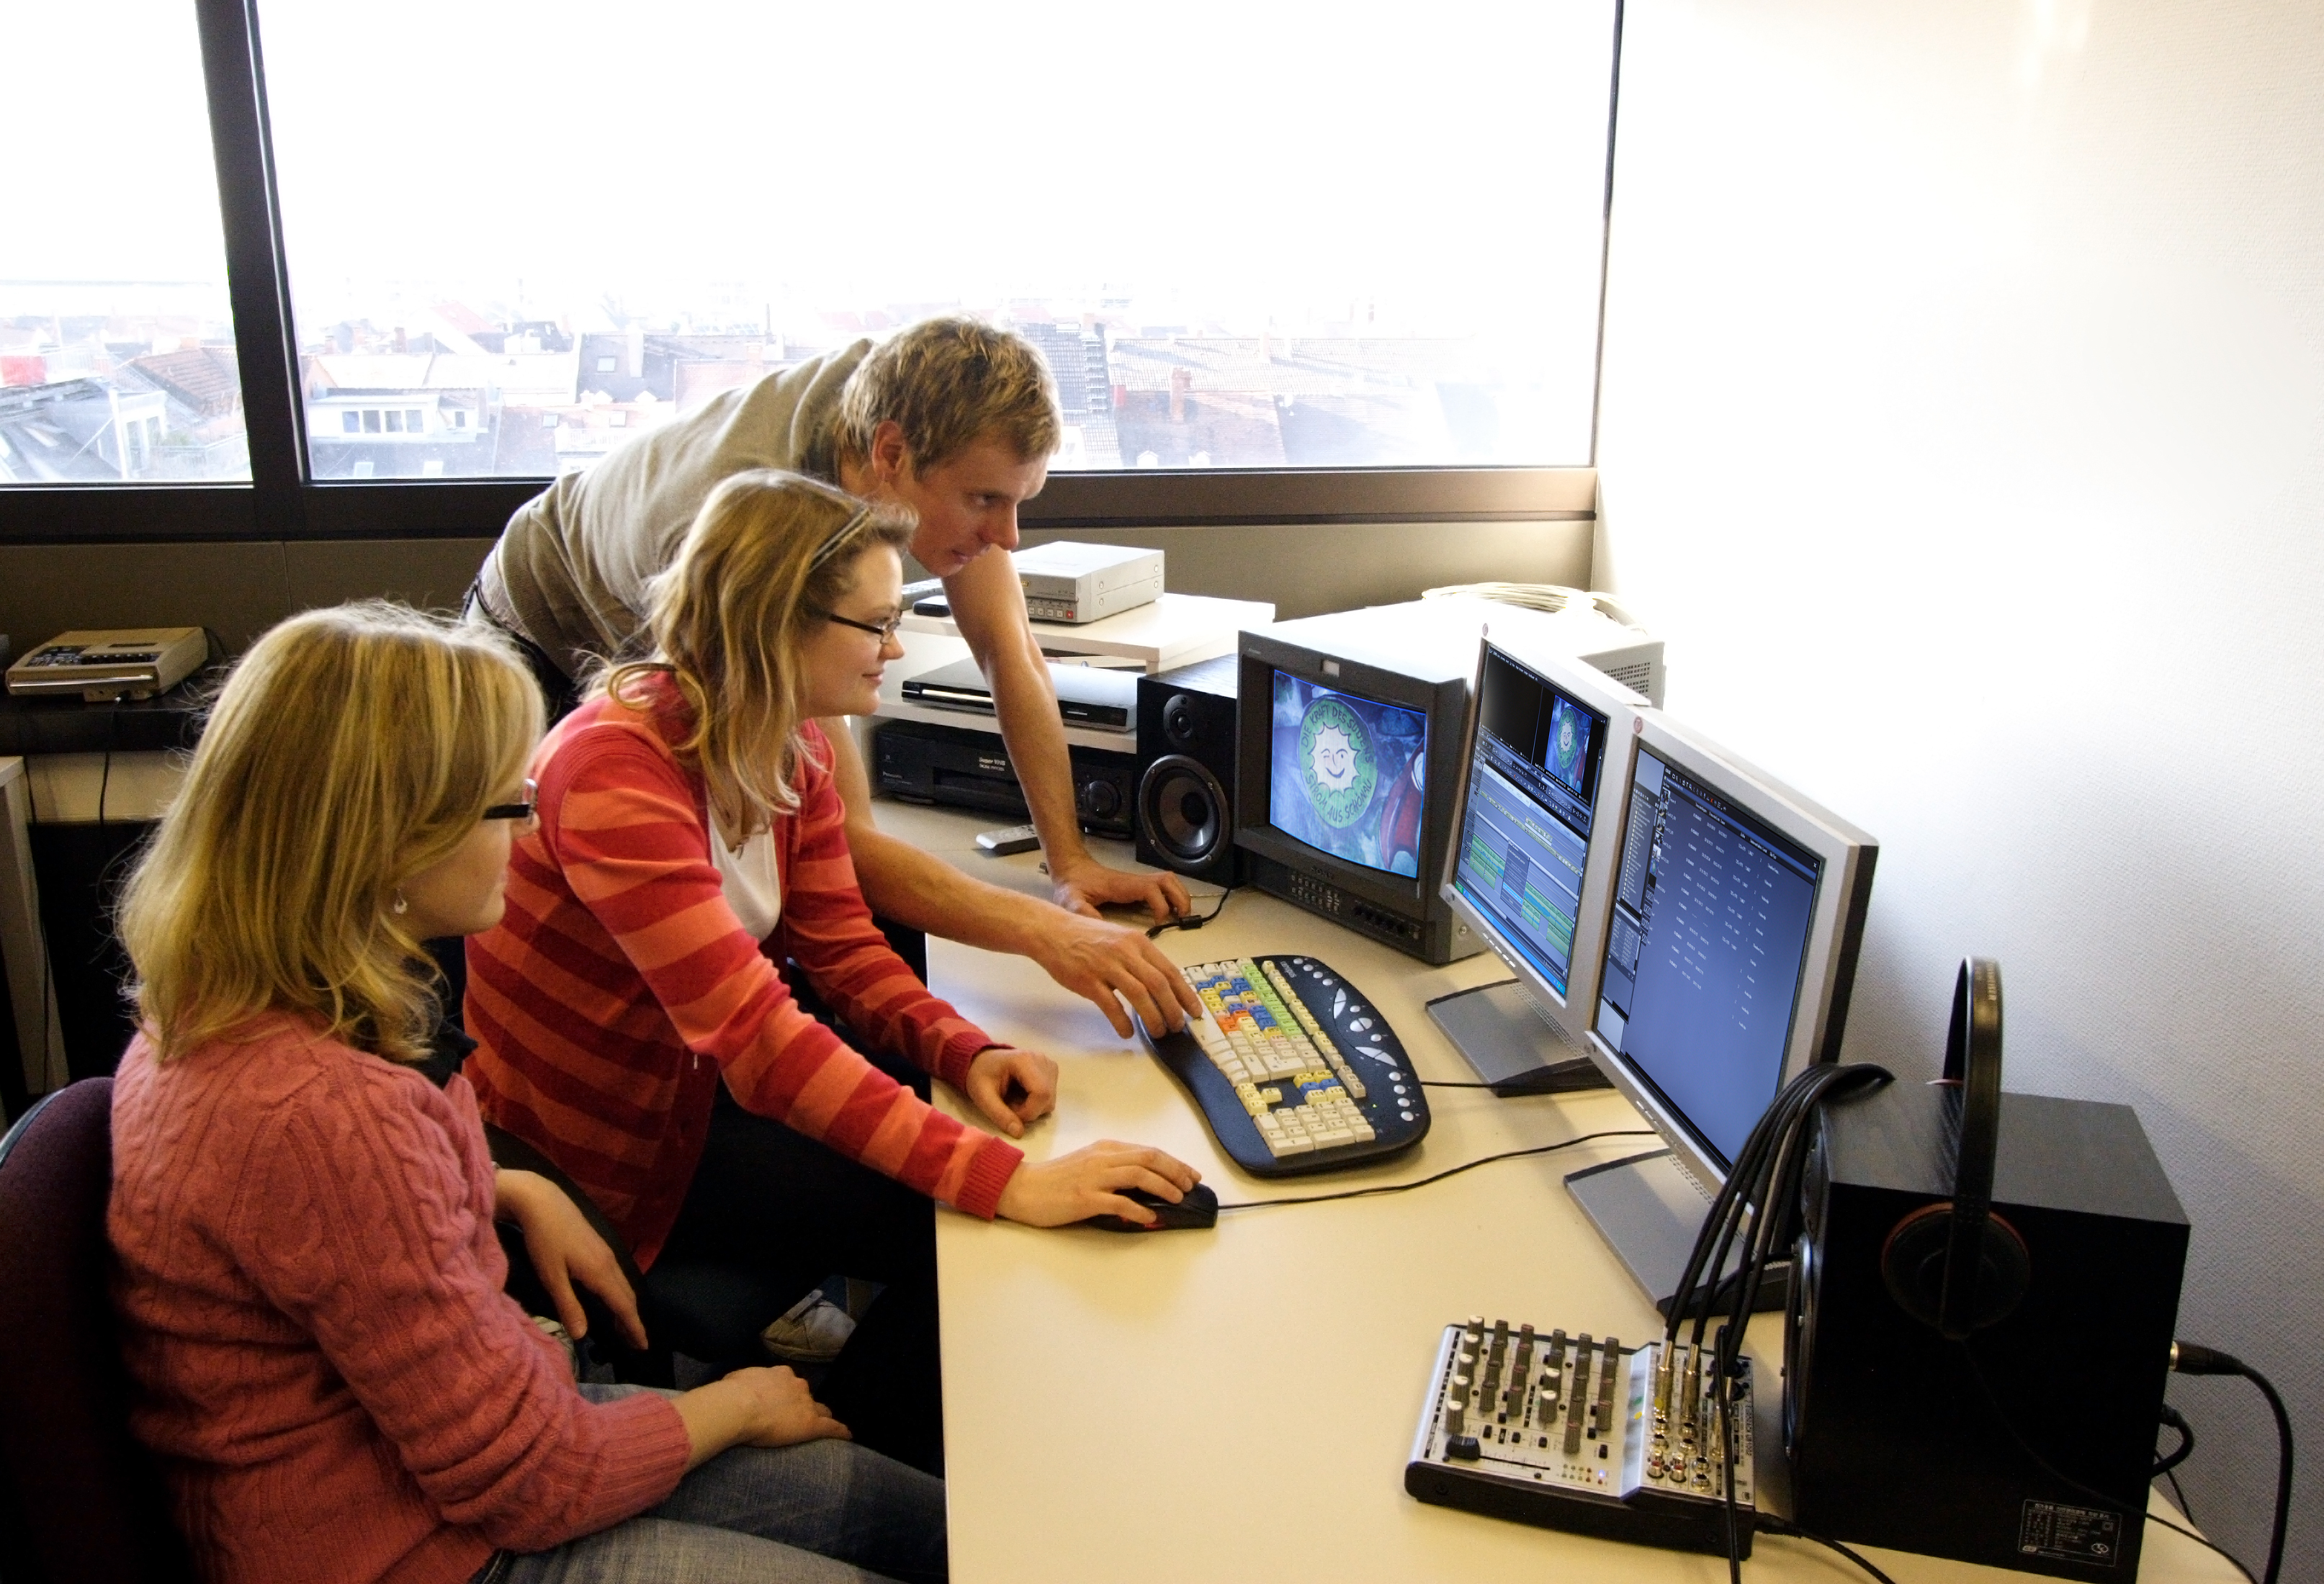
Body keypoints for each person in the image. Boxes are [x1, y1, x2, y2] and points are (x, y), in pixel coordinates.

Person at [107, 601, 948, 1584]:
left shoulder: (232, 1002)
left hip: (464, 1453)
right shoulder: (316, 1111)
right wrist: (736, 1406)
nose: (529, 826)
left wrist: (506, 1187)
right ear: (389, 842)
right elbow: (530, 1483)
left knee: (932, 1526)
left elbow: (316, 1232)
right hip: (408, 1547)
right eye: (506, 804)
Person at [463, 472, 1201, 1475]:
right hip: (593, 1164)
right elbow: (761, 1043)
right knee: (972, 1223)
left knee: (966, 1233)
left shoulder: (791, 744)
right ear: (777, 624)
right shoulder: (611, 770)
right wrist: (1006, 1180)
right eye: (877, 625)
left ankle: (860, 1444)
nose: (895, 650)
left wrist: (962, 1047)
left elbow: (843, 950)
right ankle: (847, 1471)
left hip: (688, 1117)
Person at [468, 315, 1203, 1043]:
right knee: (591, 960)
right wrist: (1047, 935)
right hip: (540, 626)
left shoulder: (920, 413)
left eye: (1019, 502)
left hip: (647, 595)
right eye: (985, 501)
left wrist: (1069, 864)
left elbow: (1010, 652)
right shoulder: (747, 526)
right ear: (890, 453)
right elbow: (846, 843)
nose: (1007, 535)